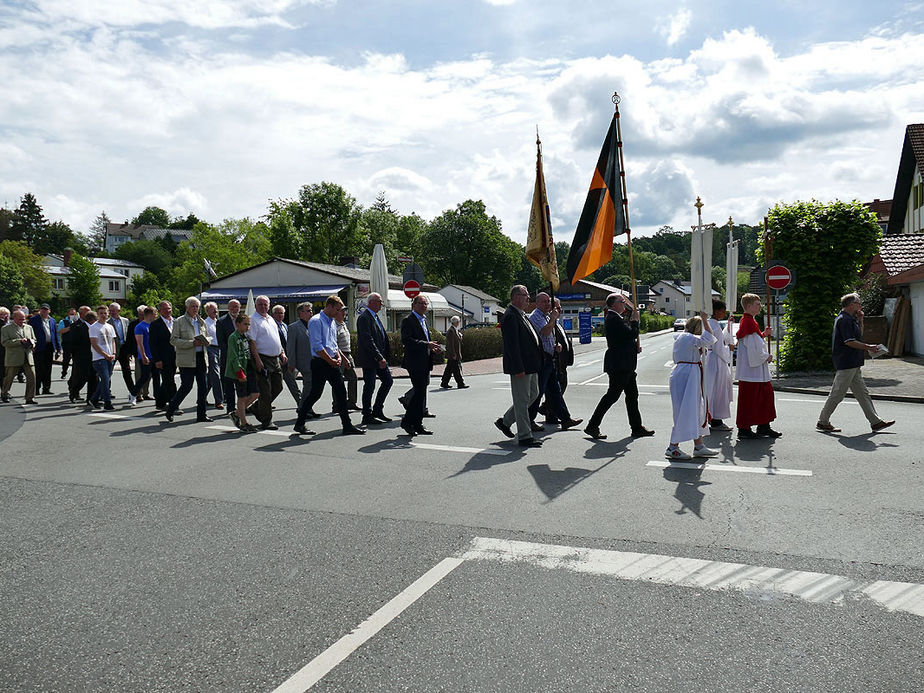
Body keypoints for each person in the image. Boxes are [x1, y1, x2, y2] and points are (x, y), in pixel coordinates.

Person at [817, 293, 895, 433]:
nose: (860, 306)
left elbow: (858, 336)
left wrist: (861, 321)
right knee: (837, 394)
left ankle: (875, 422)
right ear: (851, 304)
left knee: (862, 393)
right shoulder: (844, 320)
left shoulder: (849, 319)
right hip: (847, 363)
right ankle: (823, 421)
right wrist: (868, 347)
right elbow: (849, 342)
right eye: (858, 303)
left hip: (852, 363)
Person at [584, 293, 655, 440]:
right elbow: (630, 334)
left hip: (625, 364)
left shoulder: (616, 318)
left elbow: (623, 340)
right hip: (619, 365)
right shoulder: (613, 318)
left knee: (632, 396)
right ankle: (592, 426)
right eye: (622, 302)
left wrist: (634, 347)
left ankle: (636, 427)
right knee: (611, 396)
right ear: (614, 304)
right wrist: (635, 322)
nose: (625, 304)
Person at [293, 295, 364, 436]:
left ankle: (347, 425)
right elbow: (317, 346)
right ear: (329, 306)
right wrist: (331, 361)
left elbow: (333, 344)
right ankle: (300, 422)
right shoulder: (316, 321)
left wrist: (339, 357)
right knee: (315, 394)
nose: (339, 313)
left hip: (332, 361)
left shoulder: (332, 321)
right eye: (337, 309)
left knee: (341, 393)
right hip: (320, 362)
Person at [494, 285, 544, 447]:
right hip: (521, 366)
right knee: (522, 400)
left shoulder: (521, 315)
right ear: (515, 297)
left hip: (530, 365)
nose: (528, 298)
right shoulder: (510, 316)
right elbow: (512, 345)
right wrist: (518, 367)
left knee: (533, 394)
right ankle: (524, 435)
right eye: (525, 295)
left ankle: (505, 421)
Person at [666, 314, 718, 459]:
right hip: (686, 374)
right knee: (685, 409)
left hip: (689, 373)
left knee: (695, 409)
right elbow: (709, 339)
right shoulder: (688, 337)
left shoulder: (687, 338)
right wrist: (706, 321)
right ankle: (672, 446)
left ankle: (699, 445)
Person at [527, 292, 582, 431]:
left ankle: (565, 419)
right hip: (542, 360)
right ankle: (529, 420)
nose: (548, 304)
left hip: (550, 358)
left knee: (555, 391)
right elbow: (545, 332)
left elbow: (548, 337)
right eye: (545, 301)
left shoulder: (546, 316)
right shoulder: (536, 316)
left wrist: (555, 347)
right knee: (537, 392)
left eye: (549, 302)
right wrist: (552, 319)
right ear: (537, 303)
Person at [735, 293, 780, 439]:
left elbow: (753, 341)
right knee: (750, 400)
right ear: (748, 306)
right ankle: (744, 429)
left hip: (756, 371)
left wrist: (763, 334)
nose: (760, 306)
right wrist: (767, 356)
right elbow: (753, 349)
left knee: (764, 397)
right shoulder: (748, 322)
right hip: (752, 371)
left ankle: (763, 425)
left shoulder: (750, 321)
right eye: (757, 304)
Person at [164, 297, 212, 423]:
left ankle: (202, 414)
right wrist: (192, 343)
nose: (195, 309)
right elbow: (173, 340)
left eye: (197, 306)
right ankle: (171, 408)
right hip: (187, 358)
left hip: (201, 357)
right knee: (187, 386)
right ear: (187, 307)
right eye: (193, 306)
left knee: (203, 387)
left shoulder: (201, 322)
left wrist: (206, 341)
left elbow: (207, 336)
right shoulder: (179, 321)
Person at [400, 294, 441, 437]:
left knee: (421, 394)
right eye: (421, 303)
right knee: (418, 393)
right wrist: (426, 344)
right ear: (414, 305)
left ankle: (417, 424)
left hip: (424, 361)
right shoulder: (408, 320)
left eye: (426, 304)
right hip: (414, 363)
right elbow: (407, 340)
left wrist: (431, 348)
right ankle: (407, 422)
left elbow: (424, 340)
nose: (424, 306)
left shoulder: (424, 320)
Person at [248, 295, 286, 430]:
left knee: (278, 387)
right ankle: (266, 420)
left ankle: (257, 407)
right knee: (265, 391)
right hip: (262, 357)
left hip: (275, 358)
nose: (263, 307)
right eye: (260, 304)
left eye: (265, 304)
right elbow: (251, 342)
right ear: (256, 305)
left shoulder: (270, 319)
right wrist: (257, 360)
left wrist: (282, 352)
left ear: (269, 306)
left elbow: (276, 338)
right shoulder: (253, 320)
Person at [355, 293, 392, 426]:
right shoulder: (364, 318)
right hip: (370, 359)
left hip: (379, 358)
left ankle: (377, 409)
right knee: (369, 386)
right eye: (379, 301)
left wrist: (385, 356)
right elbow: (367, 340)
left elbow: (381, 337)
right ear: (371, 302)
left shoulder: (375, 316)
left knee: (388, 381)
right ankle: (367, 414)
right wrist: (379, 357)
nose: (381, 304)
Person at [225, 313, 260, 432]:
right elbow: (233, 356)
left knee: (255, 393)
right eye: (245, 324)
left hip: (249, 367)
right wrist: (239, 373)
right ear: (238, 324)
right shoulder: (233, 337)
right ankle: (244, 422)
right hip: (239, 370)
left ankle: (236, 413)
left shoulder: (245, 337)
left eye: (249, 324)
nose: (247, 327)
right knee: (242, 396)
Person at [704, 300, 736, 431]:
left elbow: (721, 337)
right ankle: (716, 420)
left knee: (712, 389)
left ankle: (711, 417)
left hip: (711, 359)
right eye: (722, 311)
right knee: (719, 390)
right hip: (717, 360)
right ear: (716, 311)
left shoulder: (712, 323)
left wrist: (728, 324)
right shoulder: (715, 325)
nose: (723, 313)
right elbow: (718, 346)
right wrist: (729, 351)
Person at [1, 309, 37, 404]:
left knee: (32, 377)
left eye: (24, 319)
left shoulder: (29, 327)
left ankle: (30, 397)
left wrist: (32, 343)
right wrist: (19, 341)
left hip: (28, 355)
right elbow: (4, 342)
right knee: (9, 376)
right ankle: (4, 393)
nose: (23, 321)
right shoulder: (6, 329)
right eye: (20, 319)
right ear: (14, 318)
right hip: (14, 356)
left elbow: (34, 339)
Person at [286, 302, 316, 414]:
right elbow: (291, 347)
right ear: (301, 313)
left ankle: (307, 408)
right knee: (309, 384)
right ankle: (303, 408)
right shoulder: (294, 327)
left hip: (314, 361)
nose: (311, 313)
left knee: (311, 386)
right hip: (302, 361)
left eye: (311, 310)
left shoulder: (313, 325)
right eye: (308, 311)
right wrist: (291, 363)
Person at [149, 301, 177, 411]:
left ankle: (160, 402)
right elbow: (153, 344)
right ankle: (174, 404)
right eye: (165, 309)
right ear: (160, 311)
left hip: (176, 355)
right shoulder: (155, 324)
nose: (168, 311)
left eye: (169, 308)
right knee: (169, 380)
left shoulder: (176, 322)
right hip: (163, 357)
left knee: (167, 380)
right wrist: (157, 359)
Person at [88, 306, 117, 410]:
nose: (103, 315)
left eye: (105, 313)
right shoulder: (94, 327)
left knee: (106, 379)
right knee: (105, 378)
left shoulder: (110, 327)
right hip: (99, 357)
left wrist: (113, 353)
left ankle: (94, 398)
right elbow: (94, 344)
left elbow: (113, 341)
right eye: (101, 313)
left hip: (110, 357)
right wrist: (105, 355)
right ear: (97, 314)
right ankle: (107, 402)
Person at [272, 304, 302, 405]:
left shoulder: (285, 326)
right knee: (283, 384)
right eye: (277, 313)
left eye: (282, 313)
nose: (280, 315)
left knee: (279, 385)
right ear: (273, 314)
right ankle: (302, 404)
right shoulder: (272, 326)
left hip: (287, 358)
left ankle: (259, 405)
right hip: (278, 358)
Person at [67, 306, 97, 404]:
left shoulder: (95, 326)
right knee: (81, 377)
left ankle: (91, 398)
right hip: (81, 356)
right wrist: (75, 355)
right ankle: (73, 392)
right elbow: (72, 343)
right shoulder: (76, 326)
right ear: (81, 314)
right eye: (86, 313)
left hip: (94, 355)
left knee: (93, 377)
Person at [216, 299, 241, 415]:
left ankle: (242, 408)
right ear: (228, 308)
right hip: (228, 358)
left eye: (236, 307)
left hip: (242, 358)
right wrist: (232, 355)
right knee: (229, 385)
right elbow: (221, 342)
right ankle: (230, 409)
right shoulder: (221, 322)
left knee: (242, 384)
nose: (234, 309)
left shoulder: (243, 319)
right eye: (232, 307)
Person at [108, 302, 136, 403]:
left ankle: (133, 392)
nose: (111, 312)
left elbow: (129, 336)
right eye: (110, 310)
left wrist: (130, 351)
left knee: (127, 372)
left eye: (113, 311)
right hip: (113, 349)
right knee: (109, 371)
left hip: (124, 349)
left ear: (119, 311)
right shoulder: (108, 322)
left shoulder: (125, 321)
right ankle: (107, 391)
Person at [28, 303, 59, 395]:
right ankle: (36, 388)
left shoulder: (52, 320)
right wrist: (31, 345)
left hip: (49, 346)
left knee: (48, 368)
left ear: (49, 311)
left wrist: (58, 348)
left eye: (46, 309)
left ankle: (46, 388)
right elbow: (29, 332)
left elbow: (55, 334)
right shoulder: (34, 320)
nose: (44, 311)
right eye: (43, 309)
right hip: (38, 347)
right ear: (40, 310)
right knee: (39, 368)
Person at [333, 304, 359, 412]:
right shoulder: (334, 325)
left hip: (348, 353)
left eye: (345, 311)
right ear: (336, 313)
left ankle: (351, 402)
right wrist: (343, 358)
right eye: (342, 311)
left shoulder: (343, 324)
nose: (344, 313)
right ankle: (336, 405)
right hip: (339, 355)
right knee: (338, 381)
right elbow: (334, 345)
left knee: (353, 378)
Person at [133, 306, 157, 406]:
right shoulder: (140, 326)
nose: (156, 316)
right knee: (144, 377)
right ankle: (133, 394)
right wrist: (143, 356)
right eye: (155, 314)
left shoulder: (153, 326)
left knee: (156, 377)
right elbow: (140, 343)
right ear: (150, 314)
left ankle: (159, 399)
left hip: (155, 356)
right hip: (145, 356)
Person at [202, 301, 224, 411]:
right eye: (212, 309)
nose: (215, 311)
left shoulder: (218, 322)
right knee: (216, 374)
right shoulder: (205, 323)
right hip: (210, 348)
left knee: (211, 377)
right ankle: (219, 400)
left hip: (220, 348)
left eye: (216, 309)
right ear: (207, 311)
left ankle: (201, 397)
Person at [439, 316, 468, 389]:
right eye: (457, 322)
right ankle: (460, 383)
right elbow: (450, 344)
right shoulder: (451, 331)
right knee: (456, 369)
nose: (458, 323)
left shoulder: (455, 330)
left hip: (455, 353)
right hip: (453, 354)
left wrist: (460, 336)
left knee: (449, 369)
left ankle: (444, 382)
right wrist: (453, 354)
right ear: (455, 322)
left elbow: (458, 341)